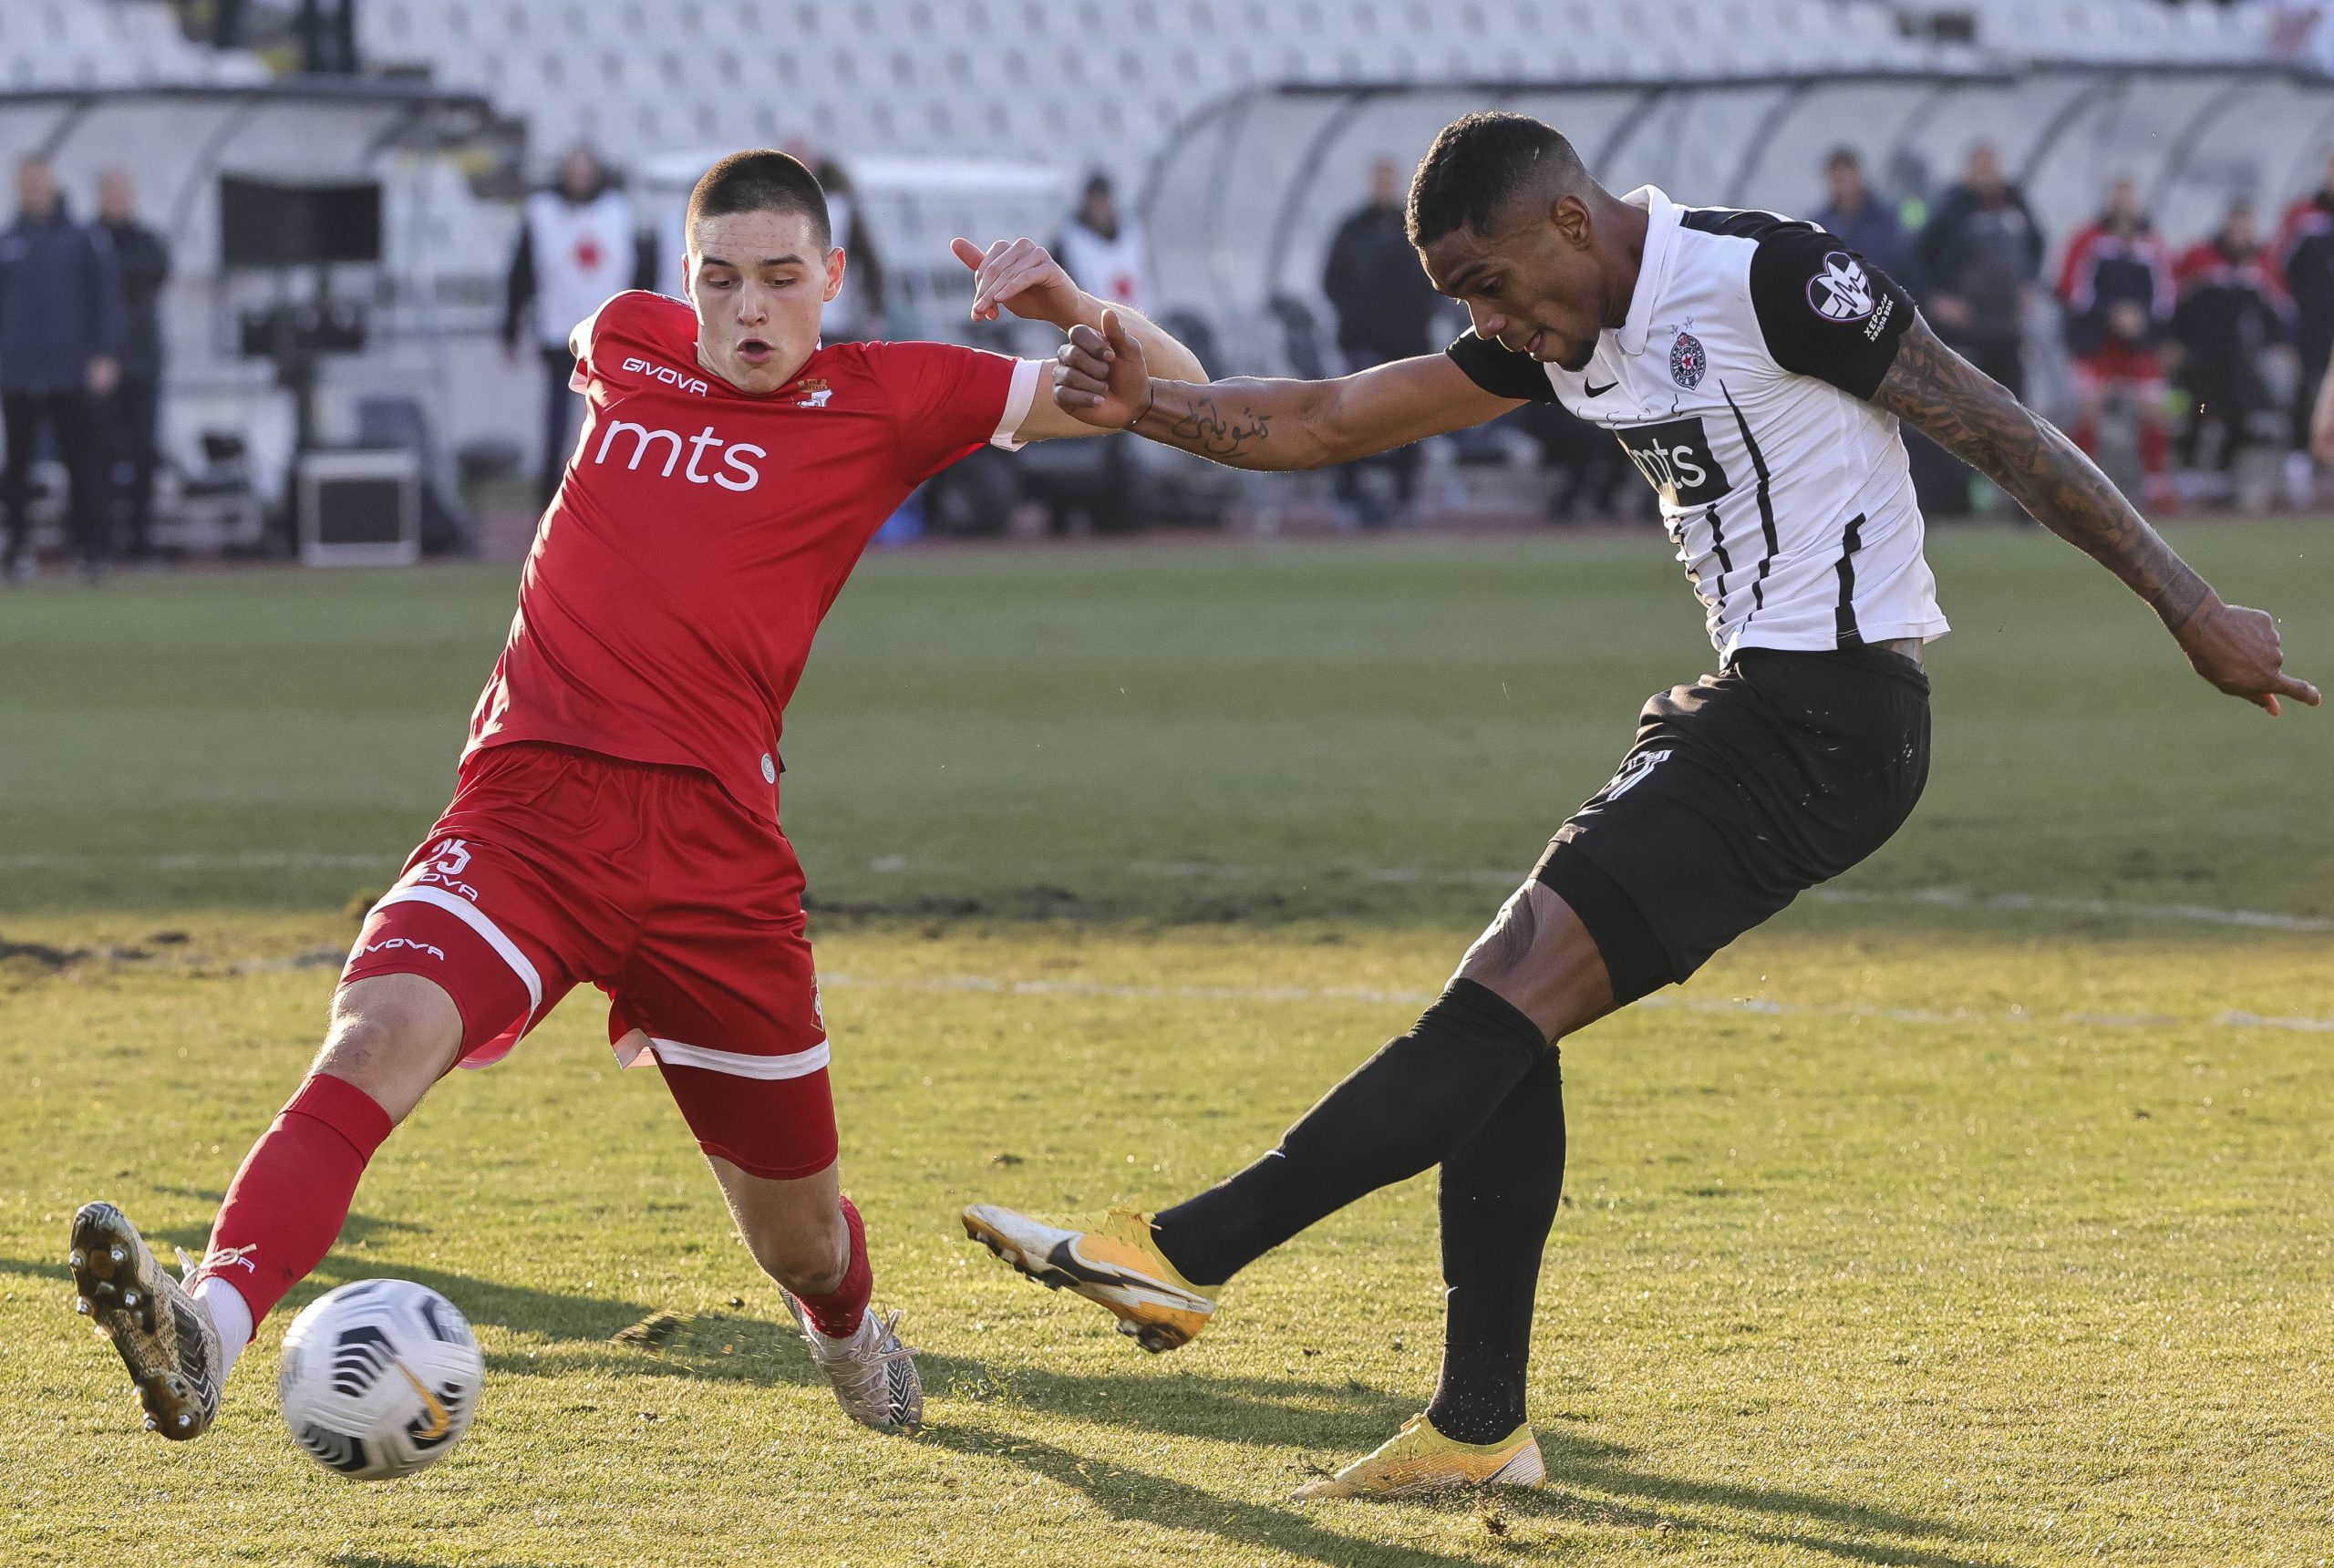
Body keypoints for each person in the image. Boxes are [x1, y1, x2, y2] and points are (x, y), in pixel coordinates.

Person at [965, 111, 2316, 1502]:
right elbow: (1328, 418)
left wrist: (2192, 607)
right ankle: (1477, 1426)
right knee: (1507, 1022)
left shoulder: (1770, 277)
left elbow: (2000, 429)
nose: (1490, 323)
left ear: (1569, 220)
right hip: (1758, 712)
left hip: (1831, 721)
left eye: (1490, 285)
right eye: (1464, 301)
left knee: (1495, 1003)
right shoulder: (1562, 325)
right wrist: (1148, 406)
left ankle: (1183, 1253)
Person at [67, 151, 1206, 1444]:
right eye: (720, 279)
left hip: (715, 859)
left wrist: (1069, 305)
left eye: (782, 278)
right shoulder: (624, 339)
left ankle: (847, 1332)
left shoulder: (897, 393)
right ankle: (206, 1330)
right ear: (681, 281)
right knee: (374, 1037)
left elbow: (1186, 397)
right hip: (526, 810)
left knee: (802, 1240)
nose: (749, 308)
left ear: (833, 276)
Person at [502, 147, 645, 512]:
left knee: (613, 420)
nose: (579, 178)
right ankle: (549, 498)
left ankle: (611, 496)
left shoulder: (617, 212)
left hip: (608, 338)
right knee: (556, 422)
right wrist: (510, 329)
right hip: (559, 335)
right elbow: (520, 273)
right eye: (573, 170)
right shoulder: (542, 212)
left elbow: (637, 274)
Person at [0, 158, 120, 584]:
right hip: (17, 373)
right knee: (17, 467)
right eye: (25, 183)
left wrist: (104, 354)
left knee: (81, 464)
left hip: (71, 372)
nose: (32, 189)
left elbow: (105, 300)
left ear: (52, 184)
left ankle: (90, 551)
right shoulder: (8, 239)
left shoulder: (82, 240)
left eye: (38, 181)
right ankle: (18, 551)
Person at [1911, 142, 2045, 516]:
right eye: (1979, 165)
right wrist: (1937, 300)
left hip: (2007, 330)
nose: (1987, 172)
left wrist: (2029, 284)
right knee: (1962, 414)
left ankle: (2023, 505)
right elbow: (1918, 259)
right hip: (1966, 333)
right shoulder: (1950, 209)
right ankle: (1955, 501)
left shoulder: (2015, 204)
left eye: (1992, 164)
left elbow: (2037, 246)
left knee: (2015, 416)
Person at [1322, 156, 1442, 524]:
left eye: (1389, 179)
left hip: (1409, 344)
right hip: (1364, 344)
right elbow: (1332, 282)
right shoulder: (1352, 229)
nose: (1384, 186)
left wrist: (1422, 316)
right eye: (1379, 179)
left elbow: (1438, 279)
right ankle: (1349, 497)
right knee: (1355, 418)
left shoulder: (1418, 227)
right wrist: (1357, 318)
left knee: (1411, 422)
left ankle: (1405, 496)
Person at [2055, 178, 2176, 508]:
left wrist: (2140, 321)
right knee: (2089, 406)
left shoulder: (2152, 244)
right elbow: (2071, 288)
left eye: (2130, 196)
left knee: (2155, 407)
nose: (2125, 203)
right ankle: (2079, 481)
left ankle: (2156, 483)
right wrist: (2111, 315)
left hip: (2138, 345)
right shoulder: (2088, 239)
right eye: (2119, 195)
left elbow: (2165, 297)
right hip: (2095, 343)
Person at [2171, 201, 2292, 500]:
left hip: (2239, 364)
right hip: (2200, 360)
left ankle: (2223, 476)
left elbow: (2278, 312)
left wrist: (2281, 347)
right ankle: (2189, 473)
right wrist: (2173, 341)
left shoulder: (2261, 264)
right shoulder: (2200, 258)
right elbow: (2175, 302)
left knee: (2237, 416)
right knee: (2197, 411)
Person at [94, 167, 171, 562]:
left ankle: (141, 541)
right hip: (98, 369)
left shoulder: (148, 241)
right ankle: (101, 540)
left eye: (123, 192)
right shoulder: (88, 240)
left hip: (142, 365)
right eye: (111, 192)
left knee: (144, 453)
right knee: (99, 455)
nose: (117, 200)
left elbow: (140, 286)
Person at [2274, 155, 2334, 500]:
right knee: (2307, 391)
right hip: (2312, 327)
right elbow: (2278, 269)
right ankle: (2299, 463)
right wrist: (2290, 325)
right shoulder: (2303, 217)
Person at [1809, 147, 1916, 287]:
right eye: (1837, 180)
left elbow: (1903, 259)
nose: (1842, 187)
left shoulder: (1885, 217)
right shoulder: (1820, 224)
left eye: (1845, 179)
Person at [1055, 172, 1155, 315]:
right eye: (1095, 202)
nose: (1100, 208)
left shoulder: (1132, 232)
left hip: (1141, 319)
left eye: (1104, 200)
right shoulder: (1067, 244)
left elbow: (1146, 279)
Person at [813, 155, 887, 342]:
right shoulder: (842, 206)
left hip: (829, 318)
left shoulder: (838, 208)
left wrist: (875, 308)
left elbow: (868, 260)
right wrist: (876, 310)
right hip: (832, 317)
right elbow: (869, 260)